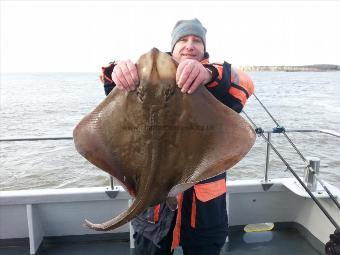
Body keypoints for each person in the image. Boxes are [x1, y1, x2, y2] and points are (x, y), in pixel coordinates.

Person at [100, 18, 254, 255]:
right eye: (183, 39)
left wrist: (208, 73)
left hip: (204, 210)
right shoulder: (143, 76)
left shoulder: (215, 80)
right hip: (152, 208)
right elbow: (109, 82)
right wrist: (117, 69)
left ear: (204, 49)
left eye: (196, 40)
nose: (190, 45)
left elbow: (244, 84)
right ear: (172, 47)